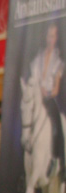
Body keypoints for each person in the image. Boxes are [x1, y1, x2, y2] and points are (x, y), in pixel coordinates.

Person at [29, 21, 66, 177]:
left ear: (56, 38)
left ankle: (58, 161)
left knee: (57, 124)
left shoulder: (59, 62)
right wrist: (39, 89)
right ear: (45, 37)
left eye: (54, 36)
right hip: (36, 97)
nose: (51, 39)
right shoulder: (37, 58)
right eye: (49, 36)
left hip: (50, 99)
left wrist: (48, 92)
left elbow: (56, 88)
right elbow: (33, 79)